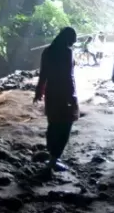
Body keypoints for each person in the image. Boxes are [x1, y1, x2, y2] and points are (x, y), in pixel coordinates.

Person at [34, 27, 80, 172]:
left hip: (52, 92)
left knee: (53, 124)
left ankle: (51, 156)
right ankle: (54, 159)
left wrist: (39, 92)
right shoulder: (67, 52)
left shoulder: (47, 51)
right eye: (73, 39)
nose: (74, 41)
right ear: (69, 38)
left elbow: (43, 74)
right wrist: (72, 97)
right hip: (65, 93)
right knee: (66, 126)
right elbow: (69, 77)